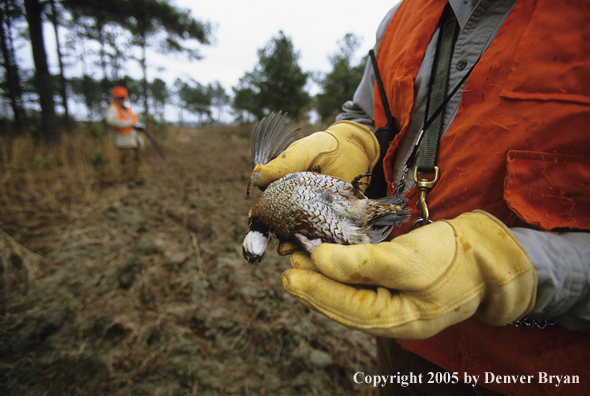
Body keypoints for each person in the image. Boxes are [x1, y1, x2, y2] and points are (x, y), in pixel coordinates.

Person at [250, 1, 590, 395]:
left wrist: (510, 267)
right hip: (398, 339)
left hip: (537, 373)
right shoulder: (401, 18)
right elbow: (365, 112)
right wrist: (356, 139)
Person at [105, 86, 145, 184]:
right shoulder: (113, 109)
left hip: (134, 139)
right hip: (124, 141)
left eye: (123, 98)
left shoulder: (127, 109)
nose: (121, 100)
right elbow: (111, 120)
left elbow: (134, 121)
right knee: (128, 162)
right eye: (119, 98)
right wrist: (128, 124)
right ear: (115, 98)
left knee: (136, 160)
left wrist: (138, 126)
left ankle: (134, 179)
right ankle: (128, 182)